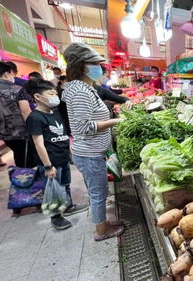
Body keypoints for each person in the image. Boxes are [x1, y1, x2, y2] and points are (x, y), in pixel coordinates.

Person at [62, 43, 125, 241]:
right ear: (81, 65)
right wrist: (116, 121)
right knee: (98, 194)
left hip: (91, 152)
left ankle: (103, 223)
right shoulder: (80, 92)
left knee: (100, 191)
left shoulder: (83, 88)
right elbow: (82, 127)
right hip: (89, 154)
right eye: (95, 63)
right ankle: (101, 231)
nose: (100, 67)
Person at [25, 78, 88, 230]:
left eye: (55, 92)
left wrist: (69, 151)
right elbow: (39, 144)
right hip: (50, 162)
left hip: (62, 157)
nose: (55, 96)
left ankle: (68, 206)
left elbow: (63, 135)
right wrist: (47, 166)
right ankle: (56, 217)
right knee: (53, 189)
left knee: (65, 184)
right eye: (50, 93)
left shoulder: (55, 112)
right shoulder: (35, 118)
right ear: (38, 97)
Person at [0, 61, 34, 167]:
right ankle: (26, 178)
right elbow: (25, 112)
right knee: (27, 157)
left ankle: (21, 175)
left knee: (19, 154)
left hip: (2, 132)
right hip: (22, 131)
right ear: (6, 73)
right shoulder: (18, 89)